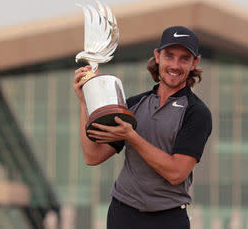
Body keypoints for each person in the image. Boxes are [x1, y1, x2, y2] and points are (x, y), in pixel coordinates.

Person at [73, 26, 212, 229]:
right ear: (157, 56)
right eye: (169, 56)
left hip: (168, 219)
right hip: (123, 213)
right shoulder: (133, 105)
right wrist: (84, 102)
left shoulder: (197, 112)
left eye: (184, 58)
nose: (175, 64)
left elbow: (176, 173)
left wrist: (132, 136)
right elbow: (92, 156)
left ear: (194, 63)